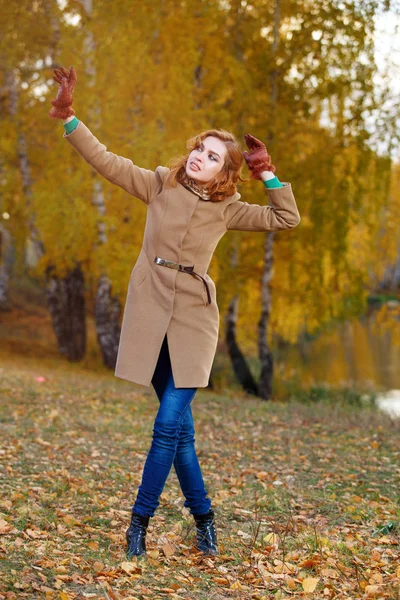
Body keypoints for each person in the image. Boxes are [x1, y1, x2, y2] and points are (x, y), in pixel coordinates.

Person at [49, 66, 301, 558]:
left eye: (212, 156)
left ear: (226, 171)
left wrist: (266, 172)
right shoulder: (160, 183)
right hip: (150, 315)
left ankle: (137, 525)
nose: (199, 157)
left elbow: (285, 218)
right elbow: (107, 161)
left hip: (193, 321)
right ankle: (205, 521)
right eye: (198, 149)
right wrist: (70, 119)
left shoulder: (229, 208)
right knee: (180, 433)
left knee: (168, 424)